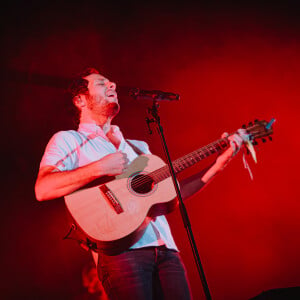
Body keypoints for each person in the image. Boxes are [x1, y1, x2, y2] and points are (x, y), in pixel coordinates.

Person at [35, 67, 248, 300]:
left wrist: (219, 164)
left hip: (167, 251)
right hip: (122, 254)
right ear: (79, 100)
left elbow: (173, 195)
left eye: (111, 82)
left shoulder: (138, 147)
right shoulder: (69, 140)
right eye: (101, 83)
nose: (112, 85)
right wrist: (98, 168)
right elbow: (43, 189)